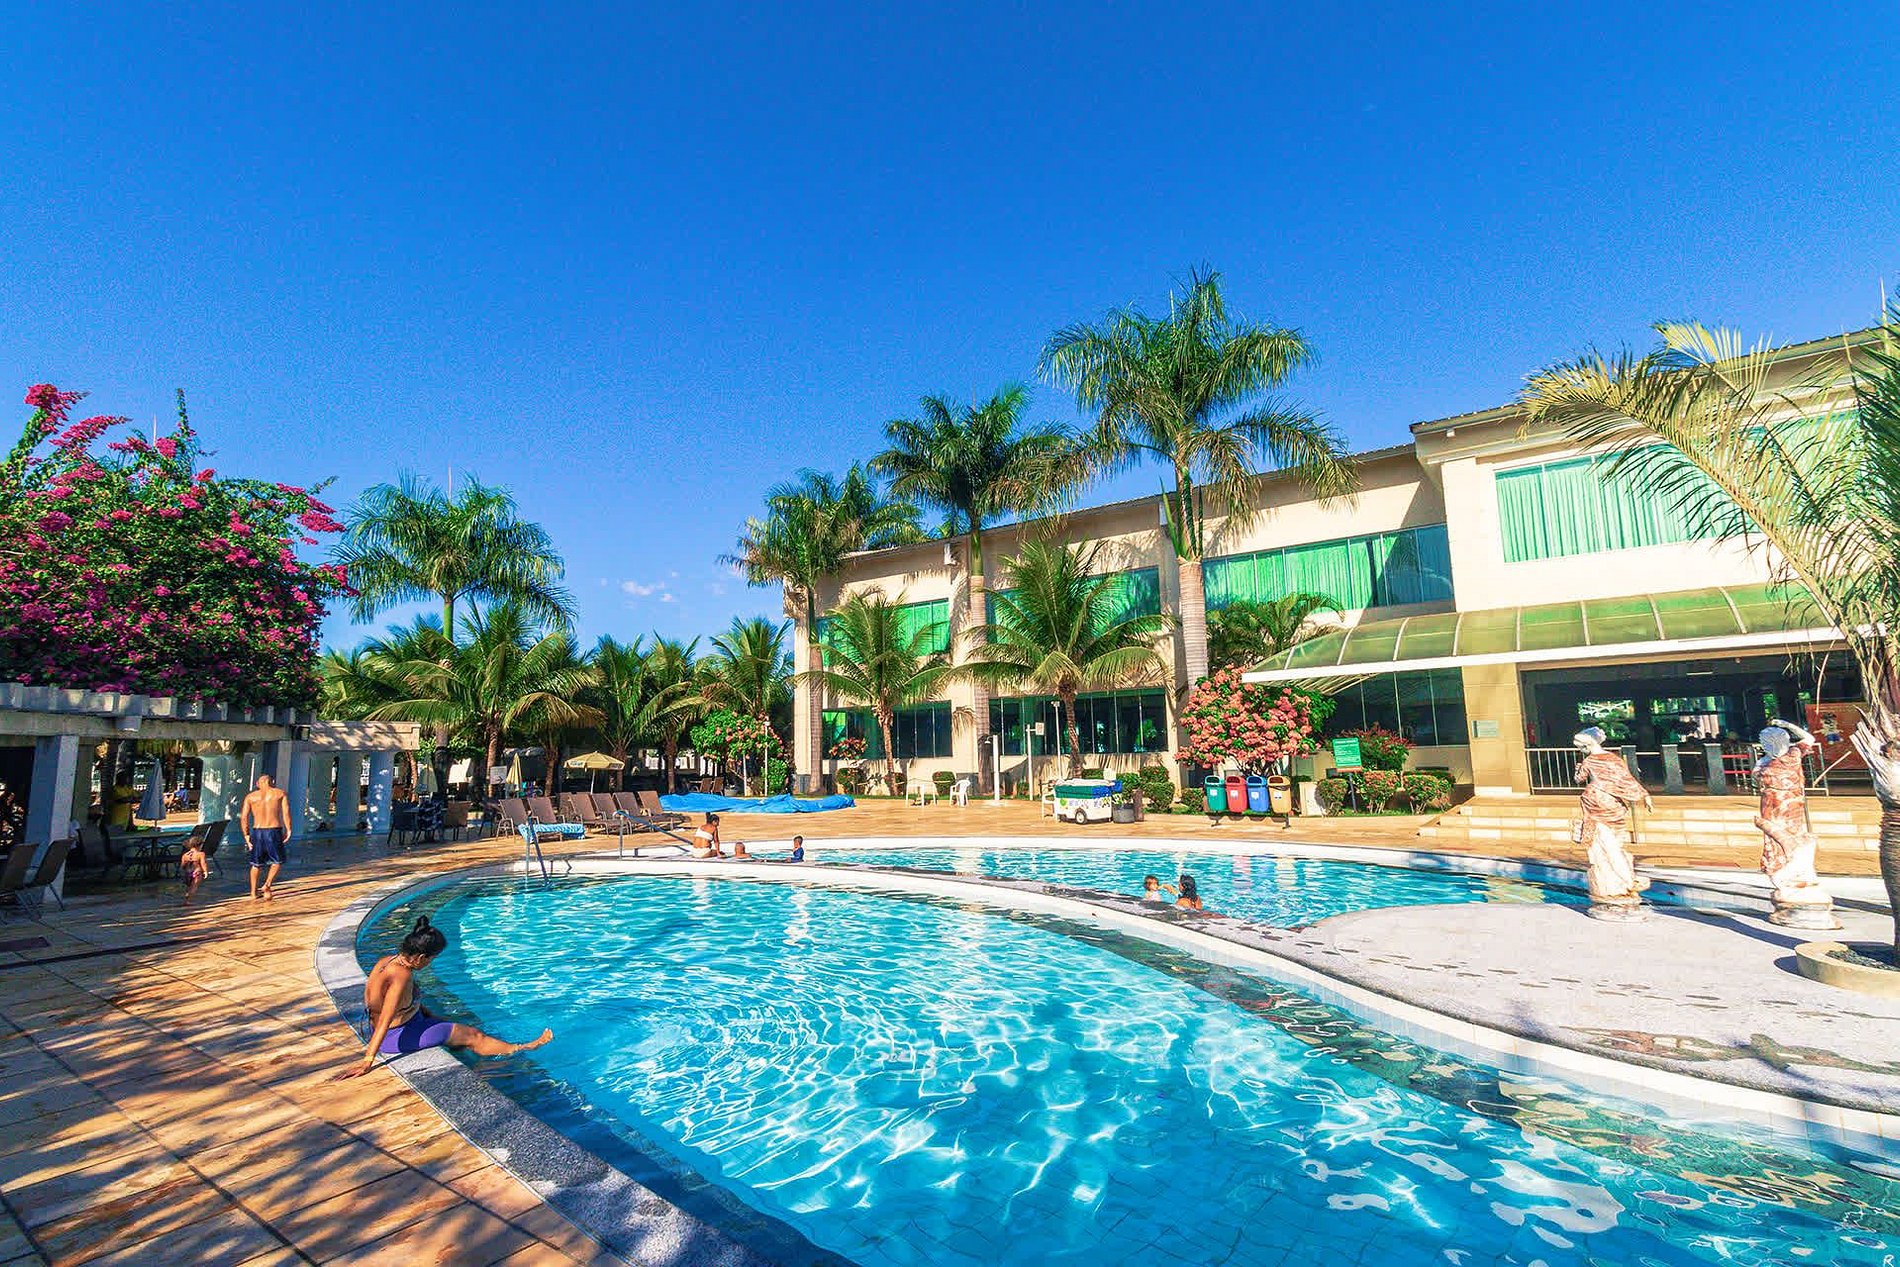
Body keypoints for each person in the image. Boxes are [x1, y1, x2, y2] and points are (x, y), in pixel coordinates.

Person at [340, 916, 551, 1079]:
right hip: (395, 1036)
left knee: (452, 1028)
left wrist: (429, 1016)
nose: (431, 963)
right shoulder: (401, 975)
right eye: (432, 959)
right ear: (421, 957)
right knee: (473, 1035)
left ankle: (476, 1061)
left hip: (403, 1024)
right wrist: (368, 1061)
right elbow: (386, 1017)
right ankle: (521, 1048)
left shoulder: (387, 961)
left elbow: (394, 1004)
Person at [239, 772, 292, 902]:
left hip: (257, 831)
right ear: (272, 782)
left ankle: (253, 893)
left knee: (256, 863)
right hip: (273, 830)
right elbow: (286, 813)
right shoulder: (280, 793)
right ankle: (267, 884)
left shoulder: (250, 797)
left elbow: (244, 817)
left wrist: (246, 835)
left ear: (257, 784)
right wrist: (288, 829)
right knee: (277, 861)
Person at [179, 835, 209, 903]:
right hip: (196, 872)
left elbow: (182, 865)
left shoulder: (185, 855)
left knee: (189, 886)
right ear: (199, 845)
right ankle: (189, 899)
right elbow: (203, 863)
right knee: (194, 886)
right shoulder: (201, 854)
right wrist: (205, 871)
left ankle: (187, 895)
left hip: (187, 873)